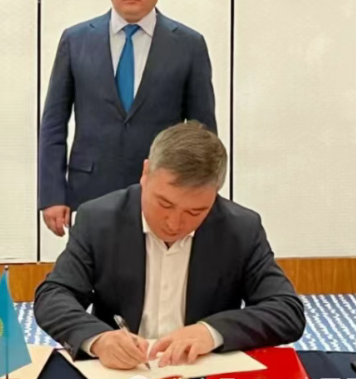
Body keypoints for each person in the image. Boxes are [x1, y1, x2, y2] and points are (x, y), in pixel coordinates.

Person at [34, 122, 305, 370]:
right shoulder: (99, 220)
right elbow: (53, 295)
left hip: (203, 369)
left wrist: (210, 332)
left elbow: (286, 310)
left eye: (195, 211)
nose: (174, 223)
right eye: (165, 203)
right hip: (123, 372)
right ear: (145, 173)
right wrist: (99, 339)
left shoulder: (240, 229)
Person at [39, 0, 217, 237]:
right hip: (89, 191)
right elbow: (53, 124)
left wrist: (200, 194)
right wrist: (52, 194)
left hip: (163, 193)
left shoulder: (189, 45)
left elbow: (202, 132)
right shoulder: (76, 40)